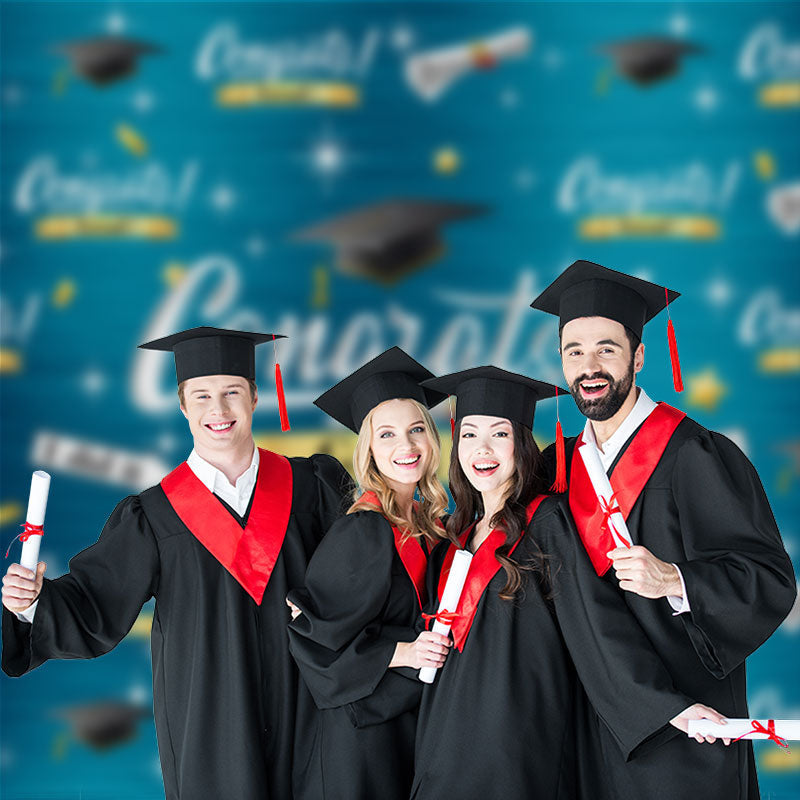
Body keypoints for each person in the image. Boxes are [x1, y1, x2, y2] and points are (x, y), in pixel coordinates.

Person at [2, 327, 352, 800]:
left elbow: (360, 576)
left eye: (232, 392)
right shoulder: (154, 515)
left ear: (254, 397)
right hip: (210, 722)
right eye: (201, 396)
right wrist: (31, 604)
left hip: (310, 707)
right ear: (183, 406)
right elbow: (93, 602)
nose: (219, 410)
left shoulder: (312, 486)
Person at [531, 260, 797, 799]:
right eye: (574, 350)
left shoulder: (695, 454)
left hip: (684, 722)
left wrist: (676, 579)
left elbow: (770, 580)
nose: (589, 366)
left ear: (640, 355)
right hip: (588, 717)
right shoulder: (552, 466)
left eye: (607, 347)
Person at [411, 366, 724, 800]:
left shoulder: (546, 521)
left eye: (499, 434)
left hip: (516, 741)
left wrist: (669, 708)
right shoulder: (454, 536)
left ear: (521, 445)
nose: (482, 449)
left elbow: (594, 621)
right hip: (444, 740)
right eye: (469, 435)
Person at [286, 347, 452, 800]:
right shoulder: (362, 530)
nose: (407, 446)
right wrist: (403, 652)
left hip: (407, 719)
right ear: (369, 450)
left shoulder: (430, 524)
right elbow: (313, 640)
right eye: (387, 435)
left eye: (417, 429)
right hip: (359, 739)